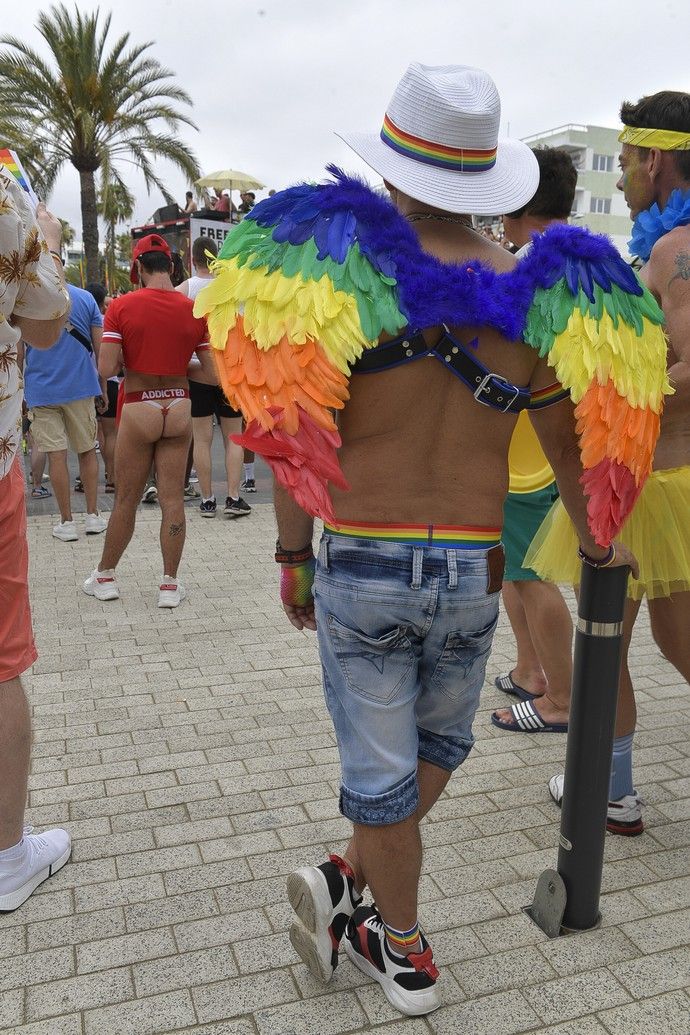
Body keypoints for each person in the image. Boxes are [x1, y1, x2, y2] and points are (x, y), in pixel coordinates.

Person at [196, 64, 662, 1016]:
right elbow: (571, 449)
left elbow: (295, 442)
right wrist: (599, 538)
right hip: (469, 568)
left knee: (383, 774)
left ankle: (394, 941)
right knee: (442, 745)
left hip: (363, 558)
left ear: (396, 170)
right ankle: (348, 882)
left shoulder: (337, 283)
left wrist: (293, 560)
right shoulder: (536, 296)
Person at [527, 89, 690, 836]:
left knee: (605, 639)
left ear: (655, 160)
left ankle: (612, 791)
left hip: (652, 483)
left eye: (625, 162)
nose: (622, 176)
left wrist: (612, 389)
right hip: (666, 480)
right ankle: (610, 782)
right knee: (660, 638)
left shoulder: (675, 250)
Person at [0, 167, 72, 911]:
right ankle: (7, 854)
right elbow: (46, 326)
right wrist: (44, 240)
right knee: (0, 661)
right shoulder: (4, 186)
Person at [490, 148, 577, 733]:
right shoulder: (577, 260)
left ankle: (562, 699)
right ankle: (531, 670)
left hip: (530, 449)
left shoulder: (534, 270)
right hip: (539, 442)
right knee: (518, 567)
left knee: (530, 572)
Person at [83, 233, 215, 607]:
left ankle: (106, 576)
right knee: (173, 499)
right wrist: (175, 366)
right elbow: (211, 375)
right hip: (177, 406)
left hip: (140, 404)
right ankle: (169, 586)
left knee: (127, 498)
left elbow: (106, 367)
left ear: (138, 268)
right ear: (172, 267)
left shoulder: (121, 307)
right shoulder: (194, 310)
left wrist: (136, 360)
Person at [24, 281, 108, 541]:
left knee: (56, 456)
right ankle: (93, 516)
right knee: (86, 450)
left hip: (41, 388)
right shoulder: (85, 299)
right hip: (81, 386)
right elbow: (100, 350)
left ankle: (66, 522)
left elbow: (17, 351)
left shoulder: (27, 299)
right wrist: (102, 388)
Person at [177, 236, 251, 519]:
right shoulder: (232, 288)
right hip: (229, 372)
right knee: (234, 437)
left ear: (192, 260)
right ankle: (233, 497)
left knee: (202, 438)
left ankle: (207, 500)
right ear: (215, 257)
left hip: (197, 371)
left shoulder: (185, 289)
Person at [86, 282, 117, 493]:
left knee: (88, 436)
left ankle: (86, 477)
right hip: (111, 380)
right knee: (111, 433)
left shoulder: (80, 320)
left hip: (86, 382)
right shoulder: (108, 321)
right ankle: (112, 477)